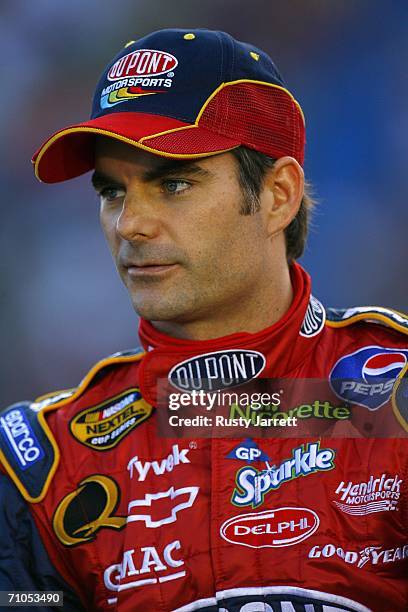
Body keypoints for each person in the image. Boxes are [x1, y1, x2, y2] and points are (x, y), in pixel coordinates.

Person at [1, 27, 407, 612]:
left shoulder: (395, 392)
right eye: (113, 192)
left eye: (173, 184)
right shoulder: (42, 463)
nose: (130, 225)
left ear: (278, 195)